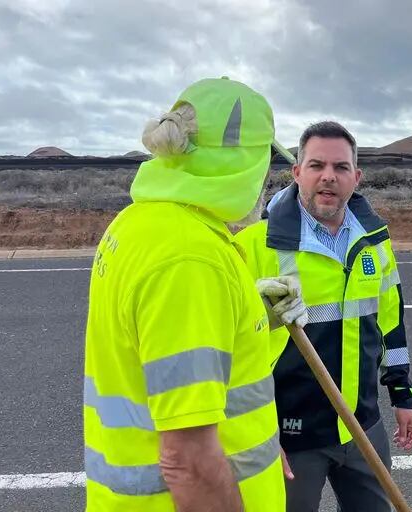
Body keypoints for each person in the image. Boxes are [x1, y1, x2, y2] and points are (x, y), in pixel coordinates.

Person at [83, 77, 305, 511]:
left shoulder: (140, 223)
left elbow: (161, 357)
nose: (266, 180)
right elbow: (188, 461)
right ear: (243, 161)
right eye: (264, 160)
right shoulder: (190, 259)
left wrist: (247, 315)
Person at [235, 121, 412, 511]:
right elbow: (231, 354)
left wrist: (402, 396)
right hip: (290, 437)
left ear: (357, 176)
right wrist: (258, 434)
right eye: (317, 165)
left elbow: (391, 325)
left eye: (340, 167)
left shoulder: (375, 243)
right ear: (297, 171)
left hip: (363, 427)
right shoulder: (253, 246)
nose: (328, 177)